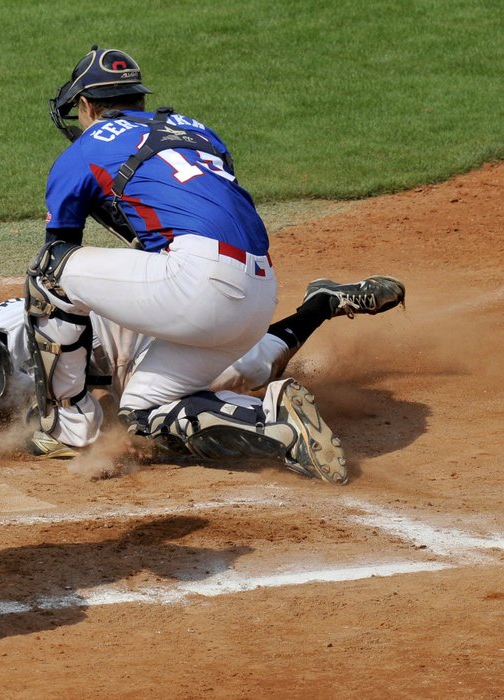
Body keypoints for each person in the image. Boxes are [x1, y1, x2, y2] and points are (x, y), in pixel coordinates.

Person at [22, 46, 363, 484]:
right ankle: (274, 424)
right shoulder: (198, 130)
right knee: (141, 414)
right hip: (258, 291)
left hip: (200, 286)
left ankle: (69, 430)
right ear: (139, 100)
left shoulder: (85, 149)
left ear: (86, 105)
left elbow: (62, 254)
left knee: (50, 272)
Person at [0, 275, 406, 471]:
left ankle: (319, 304)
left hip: (136, 337)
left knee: (250, 367)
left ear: (5, 359)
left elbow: (93, 404)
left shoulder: (40, 338)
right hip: (108, 367)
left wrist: (109, 435)